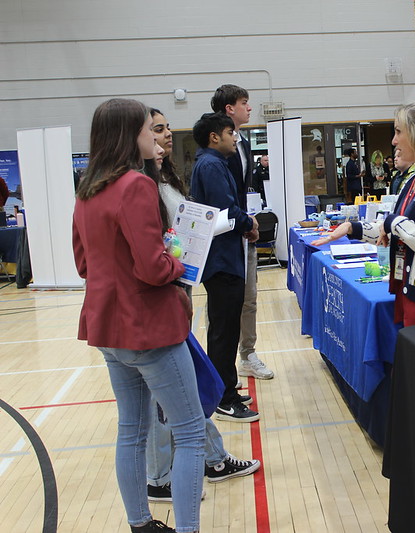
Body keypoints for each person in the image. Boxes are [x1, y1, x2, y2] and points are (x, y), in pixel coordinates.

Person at [72, 98, 205, 533]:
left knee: (131, 429)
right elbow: (152, 268)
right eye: (150, 129)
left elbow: (84, 264)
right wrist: (176, 263)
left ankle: (140, 523)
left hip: (108, 328)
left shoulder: (88, 188)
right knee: (189, 433)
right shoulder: (136, 185)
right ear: (131, 135)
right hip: (149, 328)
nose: (157, 137)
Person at [145, 109, 260, 502]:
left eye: (165, 129)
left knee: (175, 391)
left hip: (174, 288)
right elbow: (151, 251)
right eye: (156, 130)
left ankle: (206, 459)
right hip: (158, 299)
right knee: (167, 396)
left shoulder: (159, 179)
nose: (165, 137)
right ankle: (163, 477)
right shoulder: (137, 187)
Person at [312, 99, 415, 326]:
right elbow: (395, 229)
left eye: (399, 132)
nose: (394, 140)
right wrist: (353, 228)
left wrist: (394, 222)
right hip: (410, 291)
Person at [189, 112, 260, 422]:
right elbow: (225, 208)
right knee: (224, 331)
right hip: (221, 260)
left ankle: (225, 386)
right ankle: (224, 398)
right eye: (231, 132)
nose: (235, 137)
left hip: (223, 257)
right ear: (214, 136)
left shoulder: (211, 163)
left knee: (224, 329)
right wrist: (250, 221)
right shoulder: (212, 165)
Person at [210, 85, 275, 382]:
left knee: (250, 298)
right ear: (229, 109)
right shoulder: (213, 148)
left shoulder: (244, 142)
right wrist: (242, 221)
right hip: (225, 234)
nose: (250, 108)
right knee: (225, 307)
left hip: (243, 227)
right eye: (244, 103)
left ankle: (247, 354)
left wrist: (249, 222)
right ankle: (222, 370)